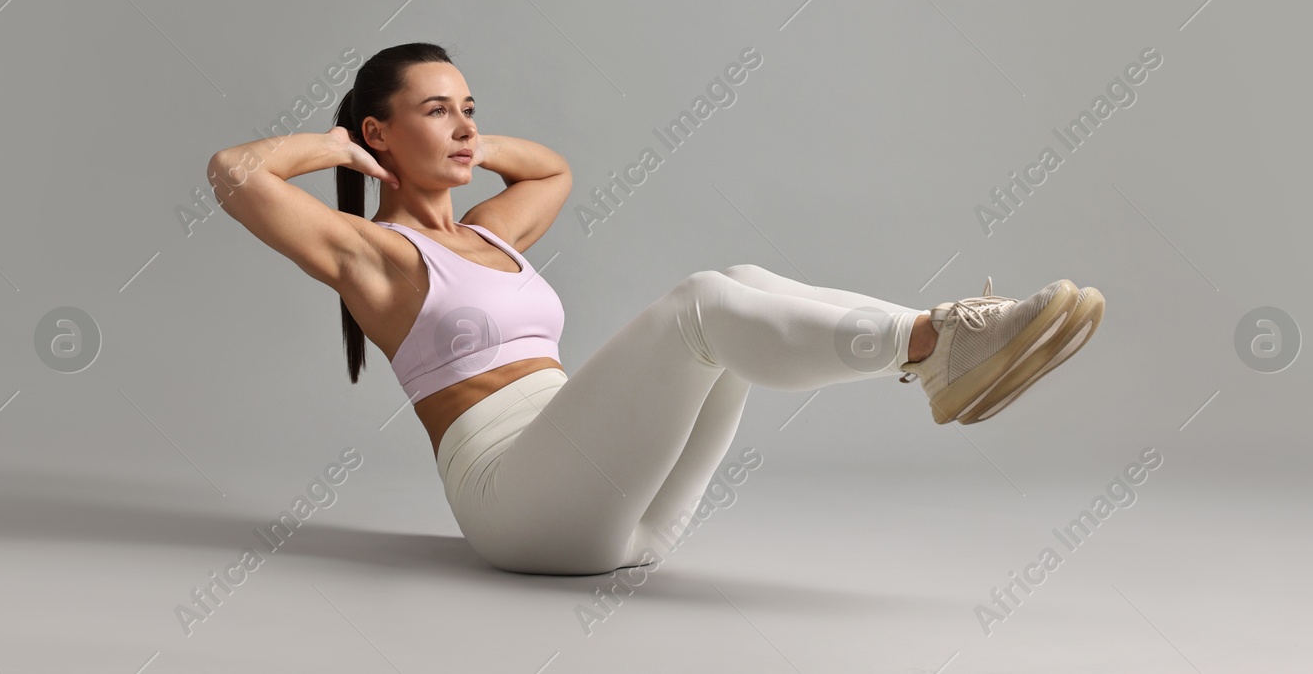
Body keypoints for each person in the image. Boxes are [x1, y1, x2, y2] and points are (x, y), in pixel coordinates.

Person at [206, 43, 1104, 575]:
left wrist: (464, 145)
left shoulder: (490, 232)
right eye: (436, 110)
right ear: (377, 132)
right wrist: (330, 146)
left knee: (740, 275)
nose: (466, 126)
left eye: (470, 108)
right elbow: (233, 174)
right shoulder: (374, 257)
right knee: (702, 307)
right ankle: (935, 341)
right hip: (517, 502)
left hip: (621, 512)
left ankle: (929, 352)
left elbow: (552, 169)